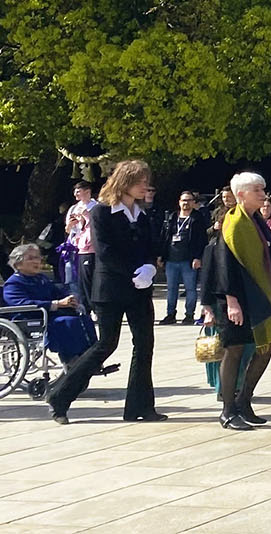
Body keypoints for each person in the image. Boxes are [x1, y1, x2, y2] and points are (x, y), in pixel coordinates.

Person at [46, 159, 162, 424]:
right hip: (111, 288)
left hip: (139, 289)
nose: (146, 186)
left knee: (145, 345)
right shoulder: (102, 212)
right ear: (125, 183)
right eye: (141, 181)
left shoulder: (142, 214)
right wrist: (135, 273)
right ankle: (60, 396)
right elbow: (106, 253)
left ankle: (140, 406)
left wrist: (150, 269)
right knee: (106, 344)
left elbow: (152, 246)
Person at [204, 171, 271, 430]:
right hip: (237, 298)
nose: (263, 195)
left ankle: (244, 400)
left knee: (267, 346)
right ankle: (228, 410)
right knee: (234, 350)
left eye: (263, 190)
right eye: (257, 190)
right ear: (241, 194)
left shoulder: (257, 221)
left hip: (260, 296)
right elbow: (223, 264)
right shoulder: (233, 223)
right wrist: (231, 301)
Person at [3, 244, 93, 363]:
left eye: (38, 257)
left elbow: (58, 293)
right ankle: (73, 359)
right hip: (30, 319)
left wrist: (70, 299)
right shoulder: (13, 283)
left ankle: (91, 357)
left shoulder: (42, 279)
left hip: (49, 315)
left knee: (85, 319)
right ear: (18, 263)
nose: (37, 261)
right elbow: (20, 304)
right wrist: (56, 304)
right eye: (31, 258)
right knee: (67, 322)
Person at [159, 191, 206, 325]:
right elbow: (164, 237)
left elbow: (201, 240)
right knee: (171, 288)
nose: (186, 203)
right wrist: (161, 255)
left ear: (193, 202)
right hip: (171, 259)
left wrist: (198, 257)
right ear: (179, 202)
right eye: (183, 200)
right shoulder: (172, 217)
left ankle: (189, 314)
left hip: (188, 260)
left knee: (190, 288)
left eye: (189, 200)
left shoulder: (197, 218)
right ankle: (170, 314)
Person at [61, 181, 97, 312]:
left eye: (78, 191)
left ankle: (93, 307)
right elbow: (68, 230)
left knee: (90, 278)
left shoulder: (95, 207)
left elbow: (96, 226)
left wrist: (85, 216)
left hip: (91, 247)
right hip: (75, 246)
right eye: (75, 191)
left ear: (87, 191)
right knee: (74, 278)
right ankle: (81, 306)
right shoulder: (73, 208)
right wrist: (70, 225)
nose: (75, 194)